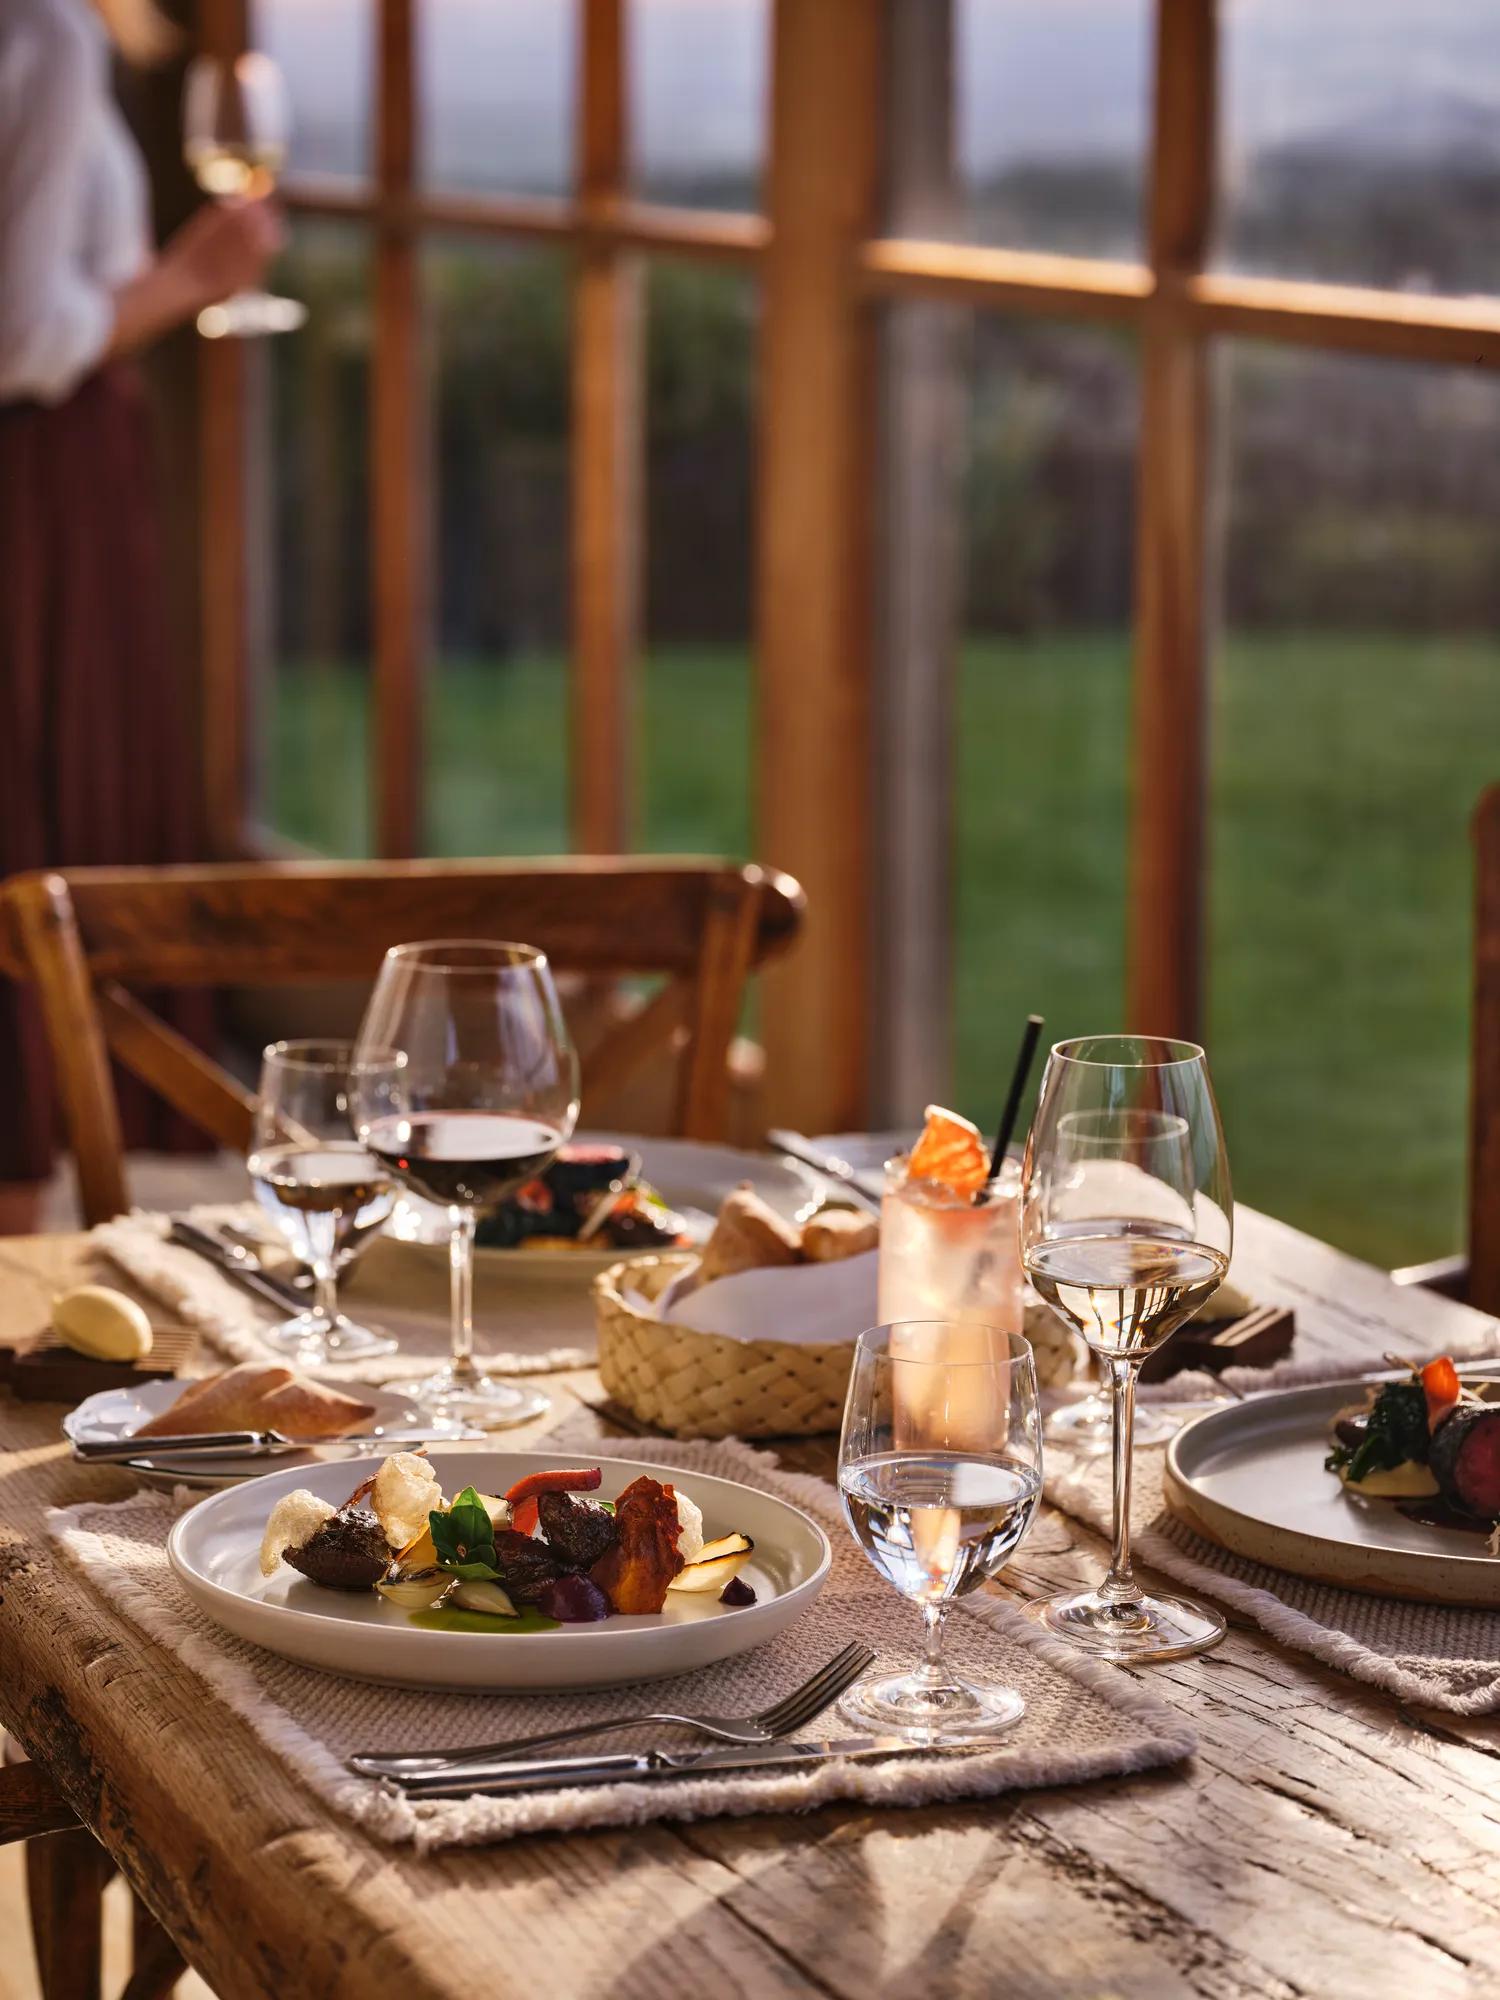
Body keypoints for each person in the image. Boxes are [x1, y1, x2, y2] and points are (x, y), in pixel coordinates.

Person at [0, 0, 281, 1230]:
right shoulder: (52, 34)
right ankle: (49, 1206)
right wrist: (193, 277)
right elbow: (21, 338)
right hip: (41, 471)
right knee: (40, 804)